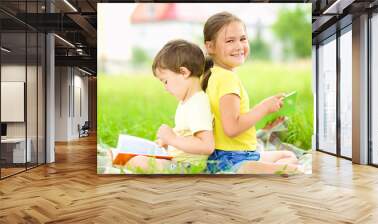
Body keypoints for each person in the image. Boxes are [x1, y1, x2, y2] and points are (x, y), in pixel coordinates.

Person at [202, 12, 300, 174]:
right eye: (230, 41)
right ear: (210, 46)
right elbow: (232, 128)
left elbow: (225, 123)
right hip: (233, 159)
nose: (239, 46)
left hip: (225, 156)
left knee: (287, 155)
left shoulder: (212, 74)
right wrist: (264, 107)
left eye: (243, 39)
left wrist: (264, 127)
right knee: (292, 168)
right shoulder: (227, 80)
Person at [125, 39, 215, 174]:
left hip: (186, 167)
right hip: (177, 161)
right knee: (132, 156)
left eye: (165, 81)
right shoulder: (187, 101)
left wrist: (173, 139)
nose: (165, 88)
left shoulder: (198, 103)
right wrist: (168, 142)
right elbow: (187, 135)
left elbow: (207, 146)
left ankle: (110, 162)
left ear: (184, 72)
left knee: (137, 161)